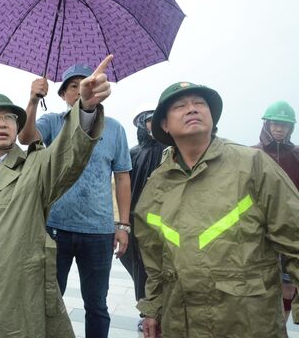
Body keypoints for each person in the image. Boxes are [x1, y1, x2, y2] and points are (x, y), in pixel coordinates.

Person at [0, 55, 113, 338]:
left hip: (23, 304)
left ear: (17, 127)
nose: (1, 123)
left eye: (9, 117)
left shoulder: (35, 167)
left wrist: (86, 107)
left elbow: (68, 153)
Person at [134, 82, 299, 338]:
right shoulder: (157, 185)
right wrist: (153, 309)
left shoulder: (252, 165)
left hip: (247, 322)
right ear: (164, 125)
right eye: (180, 106)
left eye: (200, 104)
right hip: (181, 323)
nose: (192, 109)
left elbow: (295, 236)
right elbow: (154, 260)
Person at [18, 64, 131, 338]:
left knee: (96, 305)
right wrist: (32, 101)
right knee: (46, 301)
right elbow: (25, 138)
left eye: (87, 83)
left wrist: (123, 225)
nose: (81, 89)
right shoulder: (54, 122)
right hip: (55, 228)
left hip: (98, 231)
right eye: (74, 86)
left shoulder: (115, 129)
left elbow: (123, 178)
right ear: (63, 94)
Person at [119, 109, 166, 331]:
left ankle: (166, 311)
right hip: (138, 223)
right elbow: (122, 187)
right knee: (140, 268)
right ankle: (147, 311)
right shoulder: (132, 153)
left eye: (156, 121)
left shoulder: (172, 150)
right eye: (148, 121)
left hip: (166, 222)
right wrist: (122, 222)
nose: (152, 125)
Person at [254, 100, 299, 322]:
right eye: (275, 124)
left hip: (291, 229)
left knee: (288, 285)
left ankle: (280, 328)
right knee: (260, 284)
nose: (280, 129)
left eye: (285, 125)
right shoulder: (253, 154)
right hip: (260, 229)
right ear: (267, 124)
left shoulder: (297, 155)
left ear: (291, 128)